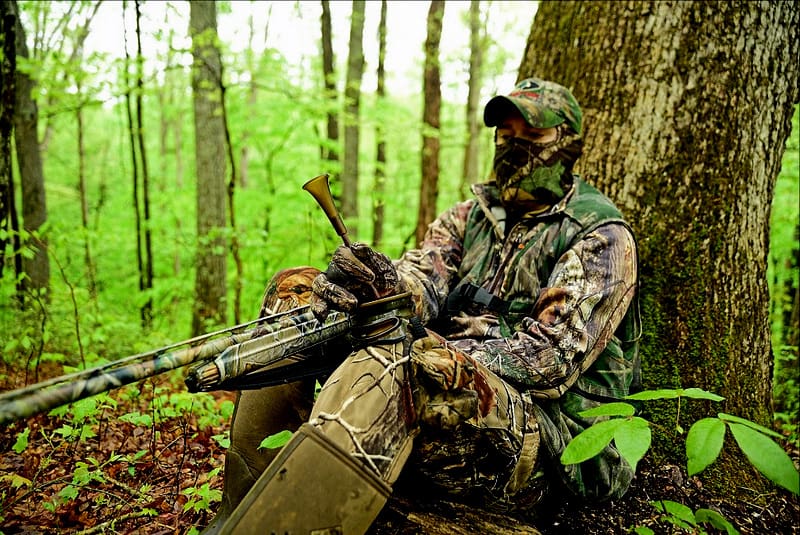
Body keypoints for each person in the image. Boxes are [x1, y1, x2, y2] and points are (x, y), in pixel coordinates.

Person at [203, 77, 641, 534]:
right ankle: (244, 507)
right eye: (506, 136)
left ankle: (306, 521)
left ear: (568, 144)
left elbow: (549, 361)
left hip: (556, 445)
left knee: (423, 363)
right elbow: (421, 280)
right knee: (299, 291)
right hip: (440, 388)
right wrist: (378, 286)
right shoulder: (468, 217)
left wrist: (433, 350)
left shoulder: (600, 236)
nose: (515, 148)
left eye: (533, 137)